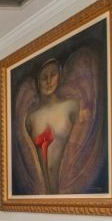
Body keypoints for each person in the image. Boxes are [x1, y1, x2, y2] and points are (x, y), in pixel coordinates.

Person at [24, 58, 79, 194]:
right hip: (45, 194)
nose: (48, 81)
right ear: (38, 82)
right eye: (43, 77)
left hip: (68, 190)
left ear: (59, 77)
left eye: (53, 75)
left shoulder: (71, 107)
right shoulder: (31, 118)